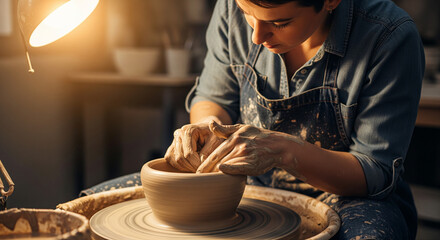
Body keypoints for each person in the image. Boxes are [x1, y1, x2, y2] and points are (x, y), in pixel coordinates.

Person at [81, 0, 424, 239]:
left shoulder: (388, 36)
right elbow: (213, 97)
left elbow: (375, 171)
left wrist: (285, 152)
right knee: (86, 213)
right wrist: (206, 128)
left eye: (280, 22)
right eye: (248, 13)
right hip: (247, 183)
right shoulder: (231, 8)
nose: (257, 37)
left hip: (350, 195)